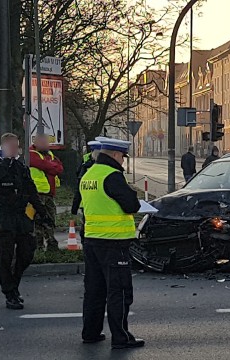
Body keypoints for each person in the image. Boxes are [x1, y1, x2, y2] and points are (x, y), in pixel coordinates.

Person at [79, 138, 144, 349]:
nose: (123, 162)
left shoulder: (89, 174)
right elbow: (131, 205)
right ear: (115, 155)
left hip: (92, 240)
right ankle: (121, 337)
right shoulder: (112, 176)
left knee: (94, 290)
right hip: (114, 243)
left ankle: (90, 332)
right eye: (123, 157)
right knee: (119, 291)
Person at [0, 133, 53, 310]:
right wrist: (6, 160)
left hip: (21, 216)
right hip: (3, 216)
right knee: (5, 256)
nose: (16, 150)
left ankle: (13, 285)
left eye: (17, 146)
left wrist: (42, 212)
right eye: (12, 147)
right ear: (4, 147)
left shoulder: (20, 167)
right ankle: (10, 293)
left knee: (27, 251)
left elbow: (31, 190)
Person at [29, 134, 64, 251]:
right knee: (37, 220)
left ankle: (51, 245)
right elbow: (43, 165)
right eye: (43, 143)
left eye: (46, 143)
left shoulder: (49, 154)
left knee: (50, 219)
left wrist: (49, 166)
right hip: (36, 194)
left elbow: (59, 168)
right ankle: (38, 247)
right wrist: (50, 166)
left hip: (49, 193)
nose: (46, 145)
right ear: (35, 143)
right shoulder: (31, 154)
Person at [72, 140, 103, 242]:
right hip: (93, 203)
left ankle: (88, 248)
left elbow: (79, 186)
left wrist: (74, 207)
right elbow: (79, 185)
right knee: (90, 229)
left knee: (87, 228)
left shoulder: (86, 162)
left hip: (88, 203)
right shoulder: (87, 164)